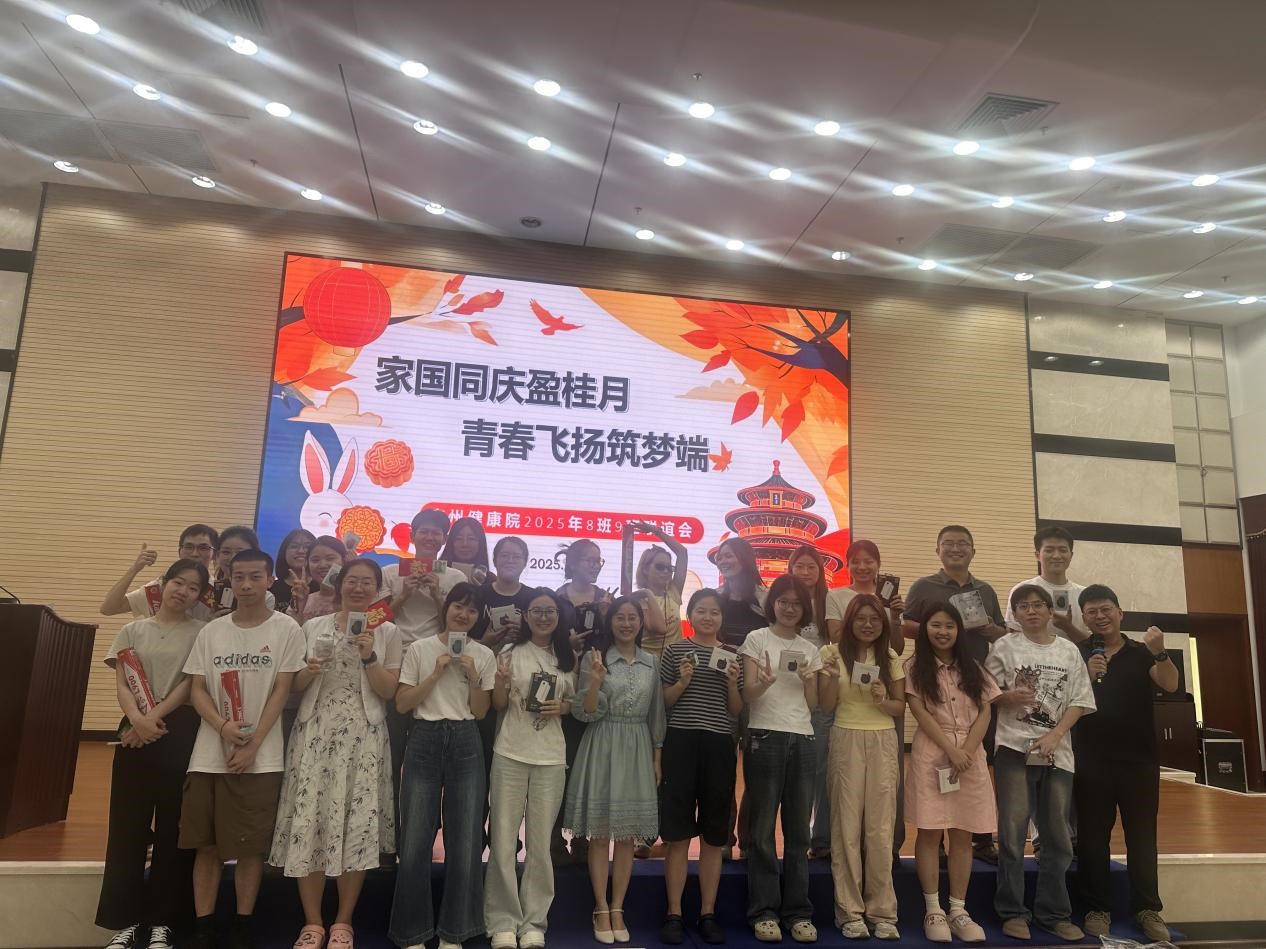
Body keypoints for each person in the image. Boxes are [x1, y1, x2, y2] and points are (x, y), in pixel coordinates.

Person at [270, 558, 403, 949]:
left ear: (378, 589)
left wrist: (370, 656)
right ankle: (312, 923)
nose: (358, 588)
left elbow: (388, 691)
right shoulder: (313, 627)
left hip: (364, 735)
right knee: (309, 821)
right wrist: (309, 671)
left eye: (367, 582)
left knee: (355, 825)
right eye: (352, 581)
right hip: (316, 730)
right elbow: (294, 685)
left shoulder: (388, 631)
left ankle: (343, 922)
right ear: (339, 585)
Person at [179, 550, 306, 949]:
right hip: (209, 755)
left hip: (261, 758)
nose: (247, 585)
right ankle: (203, 926)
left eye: (255, 576)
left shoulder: (286, 629)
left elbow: (282, 690)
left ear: (270, 580)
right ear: (229, 580)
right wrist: (222, 727)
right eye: (239, 577)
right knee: (207, 845)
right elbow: (197, 689)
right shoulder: (212, 631)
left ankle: (243, 924)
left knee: (251, 849)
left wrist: (253, 745)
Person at [96, 559, 209, 949]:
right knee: (127, 825)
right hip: (133, 728)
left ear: (200, 596)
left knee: (173, 828)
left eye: (193, 587)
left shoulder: (202, 633)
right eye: (178, 582)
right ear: (163, 584)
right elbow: (123, 682)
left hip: (178, 728)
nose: (183, 591)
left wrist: (151, 718)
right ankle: (124, 920)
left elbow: (189, 684)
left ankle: (163, 921)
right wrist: (136, 719)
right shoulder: (132, 629)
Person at [986, 584, 1096, 943]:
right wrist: (1006, 696)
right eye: (1023, 606)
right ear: (1014, 614)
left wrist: (1055, 735)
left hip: (1057, 753)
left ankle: (1053, 913)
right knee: (1012, 835)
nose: (1031, 611)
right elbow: (985, 692)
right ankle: (1012, 911)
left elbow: (1080, 700)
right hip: (1013, 751)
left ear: (1051, 611)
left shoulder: (1068, 650)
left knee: (1057, 838)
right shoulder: (1004, 647)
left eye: (1037, 605)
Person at [390, 582, 496, 949]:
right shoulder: (421, 649)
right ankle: (411, 932)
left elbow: (480, 712)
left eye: (472, 609)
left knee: (465, 838)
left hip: (466, 739)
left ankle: (456, 931)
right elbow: (403, 704)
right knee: (415, 837)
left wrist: (472, 677)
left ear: (479, 617)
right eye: (458, 606)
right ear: (446, 608)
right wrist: (435, 674)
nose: (463, 614)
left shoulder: (483, 655)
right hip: (425, 736)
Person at [1074, 585, 1178, 943]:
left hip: (1139, 760)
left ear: (1120, 613)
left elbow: (1170, 685)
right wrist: (1087, 674)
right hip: (1090, 759)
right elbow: (1063, 699)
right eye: (1092, 612)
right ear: (1084, 618)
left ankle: (1147, 908)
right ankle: (1096, 908)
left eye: (1106, 609)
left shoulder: (1141, 652)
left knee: (1142, 836)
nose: (1100, 616)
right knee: (1092, 838)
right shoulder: (1076, 652)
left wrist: (1160, 652)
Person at [563, 596, 666, 945]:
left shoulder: (652, 662)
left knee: (626, 836)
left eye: (632, 617)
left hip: (638, 745)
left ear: (641, 622)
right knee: (600, 834)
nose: (626, 623)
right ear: (611, 622)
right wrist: (594, 681)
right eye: (620, 617)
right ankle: (601, 906)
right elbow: (584, 712)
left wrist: (656, 757)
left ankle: (619, 906)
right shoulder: (596, 657)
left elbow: (656, 714)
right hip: (602, 742)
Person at [901, 526, 1006, 864]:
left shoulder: (985, 590)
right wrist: (942, 628)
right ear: (938, 550)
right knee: (939, 758)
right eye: (949, 543)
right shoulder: (923, 586)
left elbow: (1001, 632)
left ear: (973, 550)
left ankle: (980, 838)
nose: (956, 549)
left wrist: (987, 627)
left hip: (974, 681)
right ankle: (937, 841)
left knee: (976, 762)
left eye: (963, 544)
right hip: (934, 677)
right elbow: (905, 625)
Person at [485, 588, 577, 949]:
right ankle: (503, 921)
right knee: (503, 839)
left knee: (540, 844)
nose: (543, 616)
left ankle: (534, 922)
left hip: (550, 756)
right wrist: (501, 682)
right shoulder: (510, 652)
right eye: (537, 610)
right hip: (510, 752)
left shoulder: (567, 657)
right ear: (526, 615)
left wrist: (562, 708)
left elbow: (573, 703)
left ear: (558, 616)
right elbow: (498, 704)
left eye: (550, 611)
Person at [904, 604, 1000, 944]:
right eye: (935, 625)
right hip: (933, 754)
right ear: (925, 629)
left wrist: (968, 750)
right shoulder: (914, 667)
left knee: (962, 833)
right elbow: (920, 712)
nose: (942, 631)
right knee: (930, 831)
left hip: (970, 758)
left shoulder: (973, 667)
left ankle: (958, 910)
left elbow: (986, 711)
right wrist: (951, 749)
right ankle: (933, 909)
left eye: (949, 625)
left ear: (959, 630)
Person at [658, 589, 745, 946]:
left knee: (714, 835)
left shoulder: (732, 655)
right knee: (678, 834)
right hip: (680, 742)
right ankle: (674, 913)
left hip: (720, 744)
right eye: (701, 611)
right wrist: (682, 681)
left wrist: (732, 684)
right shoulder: (674, 651)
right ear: (690, 615)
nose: (708, 617)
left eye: (714, 612)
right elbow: (664, 702)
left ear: (722, 618)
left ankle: (707, 913)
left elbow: (736, 710)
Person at [739, 575, 822, 943]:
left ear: (805, 609)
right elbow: (748, 694)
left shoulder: (810, 648)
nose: (790, 608)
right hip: (765, 735)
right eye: (783, 601)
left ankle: (798, 912)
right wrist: (766, 682)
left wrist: (808, 680)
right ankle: (764, 911)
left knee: (799, 830)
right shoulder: (757, 639)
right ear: (772, 603)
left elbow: (814, 704)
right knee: (761, 831)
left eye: (797, 603)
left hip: (802, 737)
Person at [818, 594, 905, 941]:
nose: (868, 625)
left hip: (883, 739)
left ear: (882, 624)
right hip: (845, 737)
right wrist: (828, 677)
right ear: (849, 621)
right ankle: (849, 912)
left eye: (874, 619)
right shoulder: (830, 653)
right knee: (846, 828)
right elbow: (826, 706)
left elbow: (899, 707)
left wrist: (883, 700)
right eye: (860, 618)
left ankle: (882, 912)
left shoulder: (890, 656)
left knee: (880, 829)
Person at [382, 509, 461, 842]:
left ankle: (425, 829)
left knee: (428, 756)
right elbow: (374, 620)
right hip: (393, 665)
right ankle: (388, 830)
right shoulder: (389, 572)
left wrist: (438, 595)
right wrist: (403, 595)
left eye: (436, 533)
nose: (430, 538)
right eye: (424, 532)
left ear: (444, 539)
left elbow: (457, 626)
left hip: (433, 668)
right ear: (412, 535)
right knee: (391, 752)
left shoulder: (453, 576)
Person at [555, 538, 612, 862]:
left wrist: (605, 615)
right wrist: (567, 644)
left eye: (598, 560)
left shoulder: (605, 598)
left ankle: (581, 836)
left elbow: (613, 641)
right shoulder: (557, 597)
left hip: (593, 687)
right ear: (573, 562)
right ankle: (553, 836)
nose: (594, 565)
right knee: (559, 765)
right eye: (589, 560)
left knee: (586, 765)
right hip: (561, 686)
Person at [786, 546, 829, 860]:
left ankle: (821, 837)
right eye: (799, 566)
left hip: (821, 693)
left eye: (810, 566)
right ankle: (797, 838)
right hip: (787, 695)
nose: (804, 571)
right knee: (794, 774)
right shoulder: (785, 604)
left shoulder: (829, 602)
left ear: (820, 571)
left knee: (821, 771)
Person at [100, 524, 218, 618]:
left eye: (203, 548)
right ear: (179, 552)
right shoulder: (157, 589)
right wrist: (135, 569)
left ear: (214, 554)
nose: (195, 553)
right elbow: (108, 609)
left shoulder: (219, 593)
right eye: (189, 547)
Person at [1004, 526, 1088, 641]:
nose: (1057, 556)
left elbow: (1093, 643)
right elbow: (1013, 637)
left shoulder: (1084, 594)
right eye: (1049, 550)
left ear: (1071, 555)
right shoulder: (1022, 590)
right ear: (1037, 555)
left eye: (1063, 550)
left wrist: (1068, 627)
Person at [628, 521, 689, 658]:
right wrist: (648, 594)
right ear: (645, 569)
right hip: (648, 665)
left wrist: (656, 531)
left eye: (669, 568)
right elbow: (657, 628)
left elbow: (682, 552)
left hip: (675, 663)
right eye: (660, 567)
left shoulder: (674, 592)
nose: (666, 571)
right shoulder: (639, 600)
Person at [714, 537, 767, 647]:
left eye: (728, 556)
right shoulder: (715, 596)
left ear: (745, 558)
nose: (722, 562)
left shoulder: (765, 596)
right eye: (719, 558)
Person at [287, 535, 348, 622]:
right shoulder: (301, 601)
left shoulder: (356, 598)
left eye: (330, 558)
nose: (322, 565)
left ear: (344, 560)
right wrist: (299, 611)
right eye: (315, 560)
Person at [270, 528, 315, 615]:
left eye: (307, 547)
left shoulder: (323, 588)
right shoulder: (270, 589)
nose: (301, 551)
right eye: (294, 546)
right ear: (284, 552)